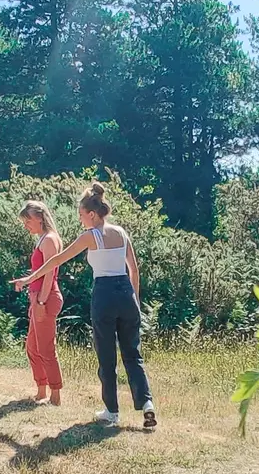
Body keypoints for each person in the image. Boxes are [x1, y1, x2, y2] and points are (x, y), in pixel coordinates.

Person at [12, 182, 156, 429]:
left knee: (106, 354)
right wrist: (135, 300)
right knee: (133, 354)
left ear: (92, 214)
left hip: (104, 294)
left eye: (81, 214)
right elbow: (134, 270)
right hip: (126, 293)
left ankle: (112, 412)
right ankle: (147, 404)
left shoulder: (91, 236)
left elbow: (57, 260)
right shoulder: (121, 232)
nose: (79, 219)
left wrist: (29, 278)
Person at [18, 200, 64, 405]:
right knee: (32, 346)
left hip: (46, 297)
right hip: (37, 296)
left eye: (28, 221)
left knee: (45, 348)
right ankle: (41, 390)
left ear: (39, 217)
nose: (26, 225)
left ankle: (55, 394)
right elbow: (39, 272)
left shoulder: (50, 240)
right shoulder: (42, 239)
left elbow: (50, 274)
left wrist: (42, 303)